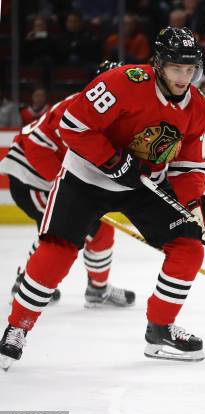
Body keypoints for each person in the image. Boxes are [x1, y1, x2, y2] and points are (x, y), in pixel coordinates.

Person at [0, 27, 205, 370]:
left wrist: (195, 204)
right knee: (58, 249)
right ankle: (18, 327)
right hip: (86, 178)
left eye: (191, 70)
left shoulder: (198, 107)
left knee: (189, 246)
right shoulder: (123, 82)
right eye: (177, 68)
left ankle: (160, 331)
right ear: (159, 65)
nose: (184, 77)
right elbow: (73, 126)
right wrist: (113, 161)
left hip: (143, 185)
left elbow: (187, 163)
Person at [0, 61, 133, 307]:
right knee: (60, 231)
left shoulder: (114, 113)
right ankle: (26, 283)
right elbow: (35, 147)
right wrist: (67, 189)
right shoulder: (77, 108)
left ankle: (97, 289)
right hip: (30, 179)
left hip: (45, 177)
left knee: (98, 230)